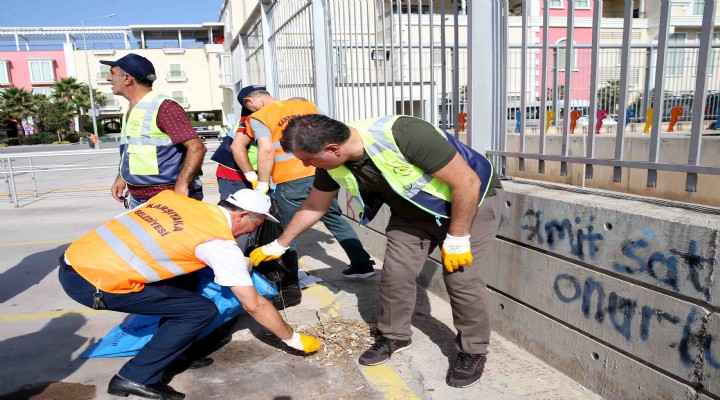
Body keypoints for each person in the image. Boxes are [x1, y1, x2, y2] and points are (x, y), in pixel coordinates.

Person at [250, 114, 504, 388]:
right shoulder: (330, 163)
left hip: (469, 205)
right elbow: (315, 205)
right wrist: (280, 243)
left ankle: (473, 351)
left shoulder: (406, 134)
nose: (305, 165)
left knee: (461, 281)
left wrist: (457, 238)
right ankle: (395, 336)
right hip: (412, 214)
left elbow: (467, 183)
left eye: (308, 159)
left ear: (333, 148)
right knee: (395, 275)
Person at [58, 189, 321, 400]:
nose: (254, 231)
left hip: (75, 260)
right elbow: (253, 305)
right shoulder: (219, 243)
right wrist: (293, 338)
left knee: (189, 279)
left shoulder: (176, 200)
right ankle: (135, 377)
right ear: (242, 216)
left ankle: (175, 354)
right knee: (199, 310)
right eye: (257, 223)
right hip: (95, 285)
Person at [237, 85, 376, 306]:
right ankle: (362, 264)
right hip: (323, 172)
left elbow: (265, 149)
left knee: (288, 231)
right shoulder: (305, 105)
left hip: (289, 180)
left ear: (249, 102)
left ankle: (289, 286)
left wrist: (262, 183)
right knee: (334, 219)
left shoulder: (259, 116)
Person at [101, 53, 207, 209]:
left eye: (112, 73)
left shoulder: (164, 107)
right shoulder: (133, 108)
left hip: (166, 198)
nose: (108, 79)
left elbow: (197, 147)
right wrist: (121, 177)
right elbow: (132, 151)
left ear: (128, 79)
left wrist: (182, 185)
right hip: (139, 197)